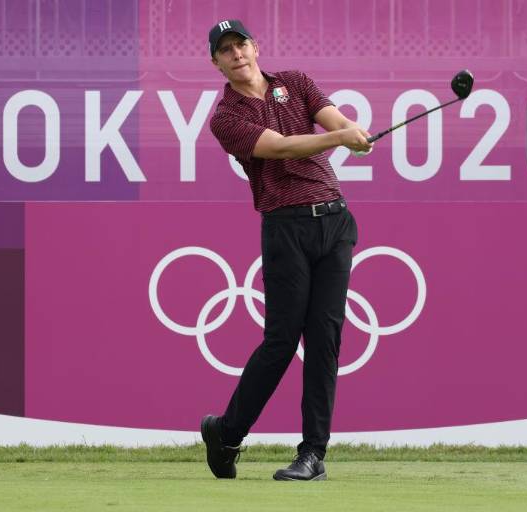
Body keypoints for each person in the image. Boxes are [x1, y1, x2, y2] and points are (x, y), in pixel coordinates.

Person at [200, 19, 373, 482]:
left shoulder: (295, 83)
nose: (237, 54)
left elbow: (334, 119)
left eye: (242, 45)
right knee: (280, 342)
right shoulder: (226, 119)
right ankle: (228, 433)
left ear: (256, 47)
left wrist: (351, 133)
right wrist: (341, 139)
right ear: (216, 62)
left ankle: (313, 454)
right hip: (285, 229)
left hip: (335, 223)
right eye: (226, 50)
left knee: (325, 341)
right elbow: (279, 148)